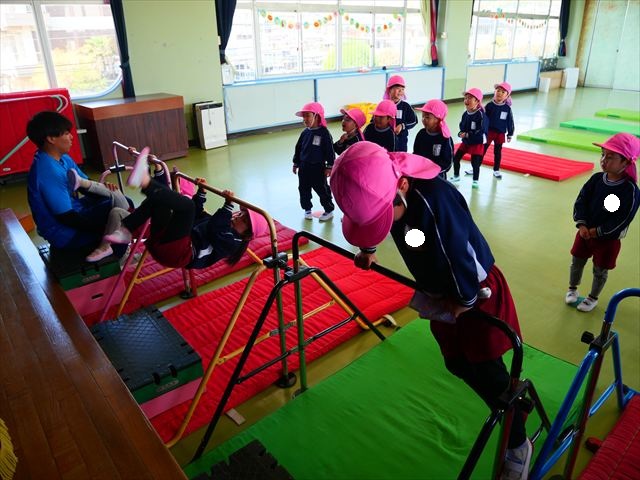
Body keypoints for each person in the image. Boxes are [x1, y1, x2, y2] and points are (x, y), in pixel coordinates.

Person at [330, 141, 532, 480]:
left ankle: (518, 444)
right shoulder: (392, 196)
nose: (382, 223)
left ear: (401, 186)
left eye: (381, 217)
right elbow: (378, 220)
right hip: (439, 289)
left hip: (473, 290)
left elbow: (459, 257)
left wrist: (464, 301)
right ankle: (508, 402)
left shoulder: (434, 203)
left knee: (486, 368)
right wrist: (368, 246)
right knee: (457, 362)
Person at [105, 148, 269, 269]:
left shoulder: (232, 243)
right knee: (162, 201)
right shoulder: (222, 225)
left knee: (187, 206)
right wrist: (201, 193)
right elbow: (198, 215)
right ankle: (126, 230)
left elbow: (215, 228)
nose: (237, 217)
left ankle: (144, 181)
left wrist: (227, 206)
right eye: (240, 214)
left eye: (243, 220)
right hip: (164, 242)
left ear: (247, 234)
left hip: (179, 253)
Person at [26, 111, 130, 261]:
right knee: (121, 216)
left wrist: (106, 191)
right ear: (51, 139)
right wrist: (105, 229)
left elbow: (85, 187)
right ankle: (118, 257)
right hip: (65, 234)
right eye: (66, 133)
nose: (71, 137)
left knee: (117, 201)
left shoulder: (63, 158)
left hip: (76, 211)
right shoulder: (47, 171)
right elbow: (67, 217)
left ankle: (115, 246)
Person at [565, 133, 640, 312]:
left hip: (607, 241)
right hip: (584, 234)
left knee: (600, 270)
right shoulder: (596, 179)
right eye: (603, 155)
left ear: (625, 162)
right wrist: (582, 225)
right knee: (577, 261)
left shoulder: (630, 190)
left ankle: (592, 298)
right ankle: (572, 289)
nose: (604, 160)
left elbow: (622, 219)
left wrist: (596, 232)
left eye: (610, 157)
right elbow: (581, 201)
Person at [292, 102, 336, 221]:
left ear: (317, 116)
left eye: (308, 116)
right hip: (304, 167)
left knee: (322, 189)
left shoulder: (324, 133)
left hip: (318, 168)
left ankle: (329, 210)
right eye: (303, 116)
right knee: (303, 189)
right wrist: (296, 163)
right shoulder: (305, 132)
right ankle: (307, 209)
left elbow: (330, 151)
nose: (305, 119)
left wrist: (329, 166)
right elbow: (298, 148)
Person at [451, 88, 487, 188]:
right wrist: (461, 133)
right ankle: (456, 176)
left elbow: (481, 130)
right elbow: (462, 126)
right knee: (456, 158)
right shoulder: (465, 114)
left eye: (470, 98)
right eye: (465, 98)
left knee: (475, 163)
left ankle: (475, 180)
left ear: (477, 101)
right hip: (466, 141)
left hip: (477, 142)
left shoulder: (480, 115)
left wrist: (468, 134)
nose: (466, 100)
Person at [413, 99, 454, 179]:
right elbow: (416, 154)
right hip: (421, 174)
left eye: (427, 117)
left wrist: (433, 172)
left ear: (438, 120)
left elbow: (447, 163)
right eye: (423, 116)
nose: (424, 119)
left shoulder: (445, 138)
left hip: (437, 177)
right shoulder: (421, 134)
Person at [484, 82, 515, 179]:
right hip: (489, 132)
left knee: (497, 152)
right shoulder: (489, 106)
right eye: (498, 90)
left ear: (507, 96)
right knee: (482, 150)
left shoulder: (507, 108)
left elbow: (510, 121)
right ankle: (475, 167)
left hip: (500, 133)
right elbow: (483, 119)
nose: (499, 93)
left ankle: (496, 170)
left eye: (503, 92)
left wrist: (510, 133)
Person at [383, 75, 418, 152]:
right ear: (389, 90)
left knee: (401, 156)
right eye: (398, 88)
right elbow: (374, 121)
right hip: (386, 140)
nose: (401, 91)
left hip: (401, 141)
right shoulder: (384, 105)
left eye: (402, 89)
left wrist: (402, 126)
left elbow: (414, 121)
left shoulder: (405, 106)